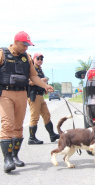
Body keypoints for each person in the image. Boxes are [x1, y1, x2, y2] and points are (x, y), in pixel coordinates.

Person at [0, 31, 54, 173]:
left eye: (28, 45)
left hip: (22, 94)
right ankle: (7, 160)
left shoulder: (27, 58)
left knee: (18, 127)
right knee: (7, 125)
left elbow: (34, 77)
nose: (26, 48)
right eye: (24, 45)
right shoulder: (2, 53)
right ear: (16, 42)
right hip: (5, 93)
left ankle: (15, 156)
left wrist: (45, 86)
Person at [27, 53, 59, 145]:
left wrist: (46, 87)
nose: (40, 60)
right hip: (34, 95)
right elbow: (29, 82)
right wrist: (43, 81)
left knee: (46, 115)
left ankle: (52, 135)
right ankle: (31, 138)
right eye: (38, 58)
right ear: (33, 59)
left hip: (40, 95)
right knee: (34, 117)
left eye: (41, 59)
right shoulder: (31, 69)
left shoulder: (40, 70)